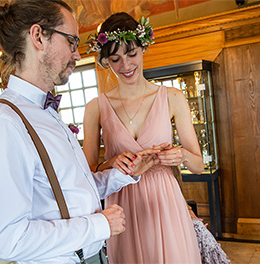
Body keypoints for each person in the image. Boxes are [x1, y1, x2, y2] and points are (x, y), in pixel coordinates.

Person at [0, 1, 159, 264]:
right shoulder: (3, 124)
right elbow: (9, 241)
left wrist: (124, 175)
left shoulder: (46, 112)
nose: (77, 54)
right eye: (71, 41)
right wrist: (97, 226)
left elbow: (74, 190)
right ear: (39, 37)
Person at [83, 12, 204, 263]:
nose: (125, 66)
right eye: (115, 59)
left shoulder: (172, 98)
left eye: (131, 54)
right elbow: (85, 173)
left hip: (165, 202)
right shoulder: (95, 107)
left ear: (143, 47)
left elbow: (199, 165)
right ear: (105, 61)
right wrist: (111, 162)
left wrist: (180, 155)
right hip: (122, 206)